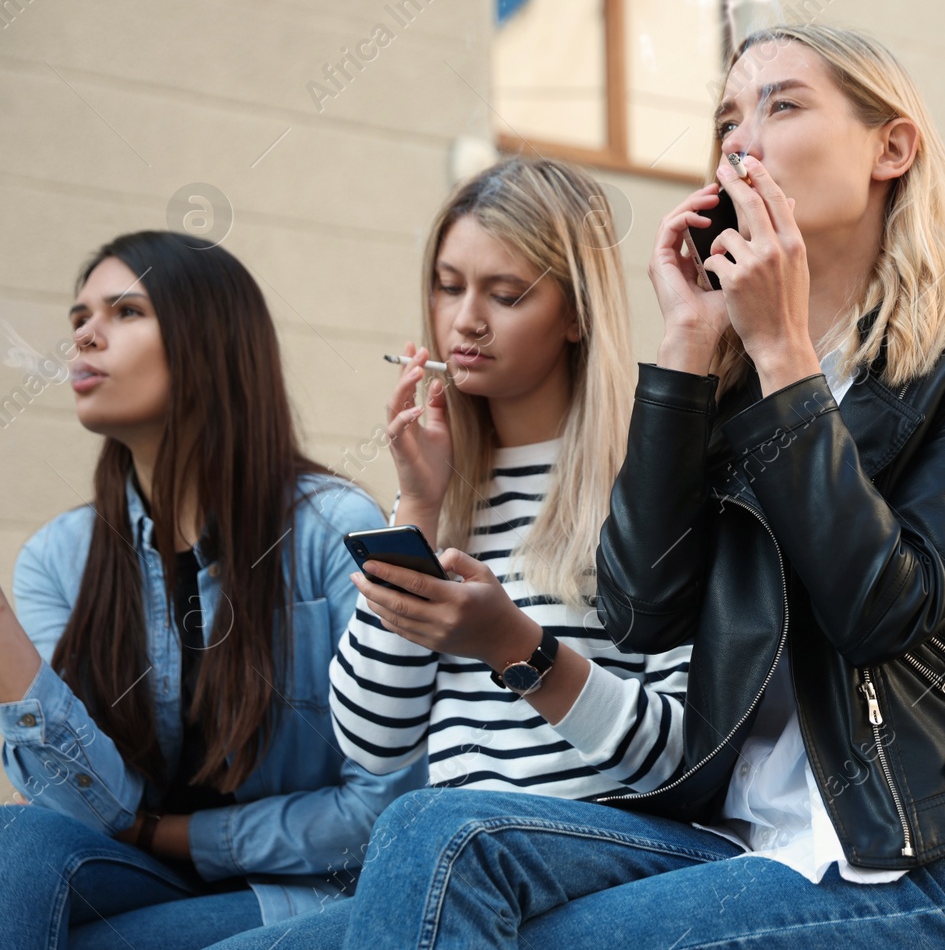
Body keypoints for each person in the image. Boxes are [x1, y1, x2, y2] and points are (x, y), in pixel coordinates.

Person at [323, 24, 945, 949]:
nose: (741, 140)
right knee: (434, 829)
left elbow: (881, 606)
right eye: (727, 117)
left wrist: (782, 352)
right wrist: (687, 346)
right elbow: (642, 609)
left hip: (930, 861)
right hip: (746, 846)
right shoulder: (728, 387)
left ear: (892, 148)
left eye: (782, 104)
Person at [212, 157, 692, 950]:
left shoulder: (653, 478)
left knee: (438, 824)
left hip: (616, 846)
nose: (466, 319)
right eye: (447, 285)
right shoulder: (442, 490)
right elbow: (373, 739)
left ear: (576, 314)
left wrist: (518, 649)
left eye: (505, 295)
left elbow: (675, 755)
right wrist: (421, 504)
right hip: (451, 859)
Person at [0, 232, 423, 950]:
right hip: (137, 868)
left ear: (210, 342)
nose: (84, 335)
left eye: (125, 311)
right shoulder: (59, 559)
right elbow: (76, 809)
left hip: (304, 889)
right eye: (78, 318)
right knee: (20, 837)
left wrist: (172, 834)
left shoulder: (330, 529)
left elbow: (382, 804)